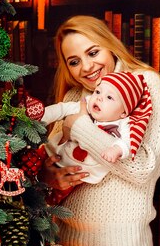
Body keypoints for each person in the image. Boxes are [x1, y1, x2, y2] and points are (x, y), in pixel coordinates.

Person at [39, 15, 160, 246]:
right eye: (74, 61)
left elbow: (143, 168)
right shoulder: (75, 96)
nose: (86, 67)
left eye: (92, 52)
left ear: (111, 45)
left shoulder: (145, 84)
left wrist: (82, 128)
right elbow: (56, 159)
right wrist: (49, 178)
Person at [41, 71, 153, 200]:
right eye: (98, 92)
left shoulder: (124, 123)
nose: (99, 98)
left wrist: (117, 149)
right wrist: (39, 116)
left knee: (53, 200)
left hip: (78, 174)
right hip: (51, 153)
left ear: (124, 112)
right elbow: (61, 109)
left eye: (109, 98)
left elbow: (129, 142)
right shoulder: (85, 106)